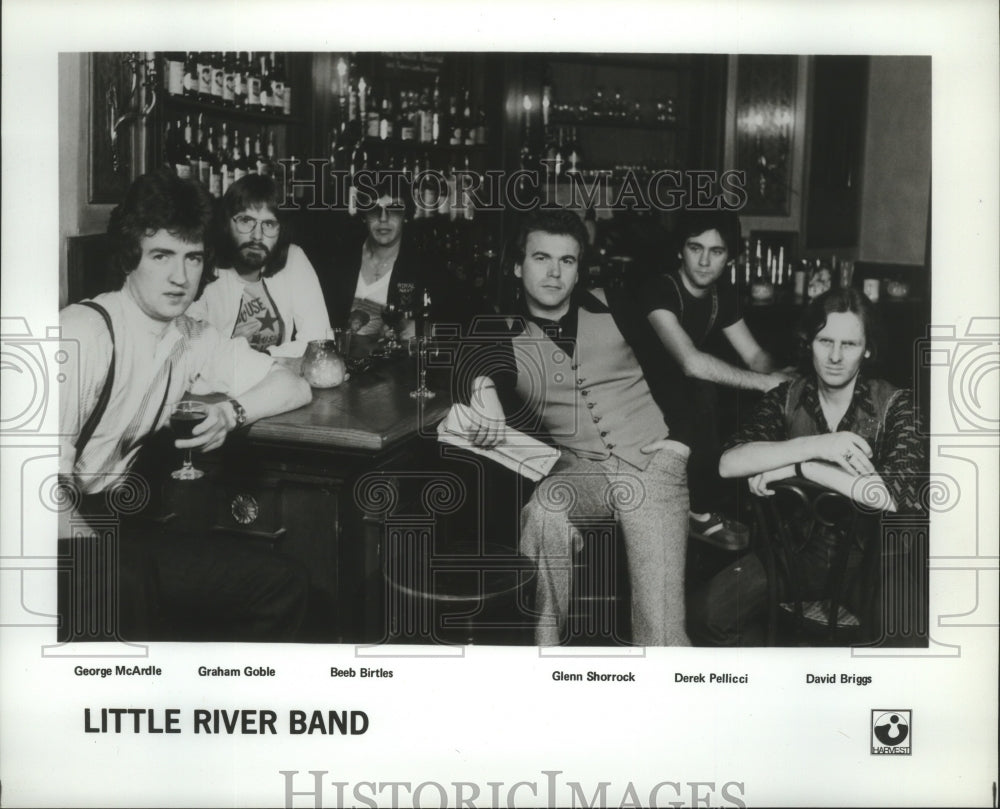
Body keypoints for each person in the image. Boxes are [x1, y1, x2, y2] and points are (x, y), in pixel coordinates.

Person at [58, 170, 313, 641]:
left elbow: (292, 386)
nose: (180, 277)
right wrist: (102, 567)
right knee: (127, 592)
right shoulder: (82, 332)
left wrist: (231, 412)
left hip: (120, 527)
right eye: (162, 256)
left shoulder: (192, 337)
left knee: (283, 585)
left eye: (193, 258)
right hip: (46, 534)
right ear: (130, 257)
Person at [462, 208, 693, 646]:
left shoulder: (616, 304)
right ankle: (544, 654)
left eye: (566, 261)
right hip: (586, 472)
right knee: (545, 513)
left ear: (578, 269)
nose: (553, 273)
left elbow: (673, 376)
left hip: (652, 465)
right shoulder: (502, 333)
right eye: (540, 258)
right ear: (517, 265)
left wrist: (677, 446)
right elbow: (462, 361)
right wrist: (482, 388)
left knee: (660, 627)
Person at [688, 288, 926, 645]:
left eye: (848, 344)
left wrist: (802, 469)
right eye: (824, 340)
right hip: (797, 553)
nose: (834, 356)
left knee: (908, 633)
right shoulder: (787, 397)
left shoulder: (897, 405)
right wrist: (817, 446)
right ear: (808, 344)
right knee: (705, 616)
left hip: (874, 561)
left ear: (867, 349)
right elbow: (728, 462)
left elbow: (889, 498)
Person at [642, 209, 791, 550]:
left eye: (717, 251)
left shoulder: (720, 296)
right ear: (680, 250)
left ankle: (767, 506)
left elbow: (755, 356)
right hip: (636, 391)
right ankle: (699, 514)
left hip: (680, 394)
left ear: (729, 257)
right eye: (696, 248)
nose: (705, 261)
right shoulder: (659, 289)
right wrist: (763, 382)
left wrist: (788, 375)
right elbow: (691, 363)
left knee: (751, 400)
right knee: (706, 391)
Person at [186, 173, 332, 357]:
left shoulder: (292, 259)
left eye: (269, 224)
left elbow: (320, 341)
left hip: (276, 377)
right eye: (246, 221)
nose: (257, 236)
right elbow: (193, 348)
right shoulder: (205, 262)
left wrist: (261, 360)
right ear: (227, 223)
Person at [326, 179, 436, 344]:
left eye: (394, 210)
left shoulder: (422, 266)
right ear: (363, 215)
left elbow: (465, 319)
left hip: (393, 366)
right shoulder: (340, 259)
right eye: (373, 209)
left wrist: (423, 329)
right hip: (337, 361)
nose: (383, 218)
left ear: (406, 215)